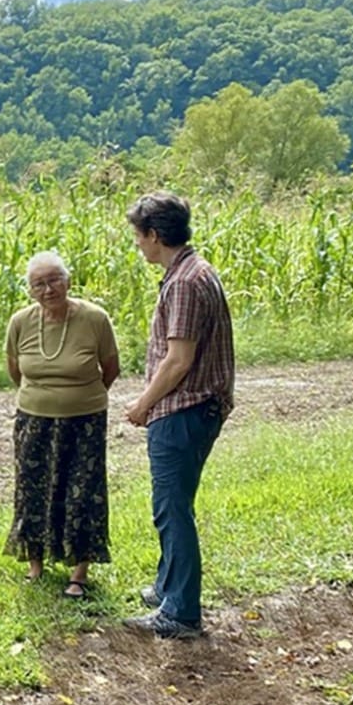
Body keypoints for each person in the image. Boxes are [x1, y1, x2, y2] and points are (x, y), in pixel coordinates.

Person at [121, 191, 235, 640]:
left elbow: (178, 359)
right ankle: (169, 587)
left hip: (183, 408)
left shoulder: (185, 282)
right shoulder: (195, 270)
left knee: (172, 508)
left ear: (154, 235)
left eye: (138, 237)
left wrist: (143, 403)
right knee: (172, 504)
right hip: (195, 407)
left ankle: (181, 612)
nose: (138, 245)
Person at [2, 251, 121, 600]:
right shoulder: (20, 322)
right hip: (33, 420)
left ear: (68, 281)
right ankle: (35, 564)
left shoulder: (95, 319)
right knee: (31, 489)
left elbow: (110, 369)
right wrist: (42, 397)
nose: (48, 289)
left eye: (54, 280)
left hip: (84, 421)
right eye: (39, 283)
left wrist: (81, 397)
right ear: (30, 289)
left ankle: (79, 573)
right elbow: (15, 370)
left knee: (82, 490)